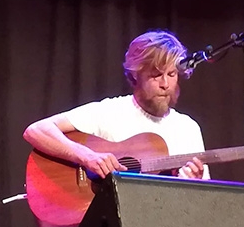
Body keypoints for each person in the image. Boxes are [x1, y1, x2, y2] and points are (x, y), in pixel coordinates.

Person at [23, 29, 210, 180]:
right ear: (136, 74)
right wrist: (87, 156)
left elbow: (201, 204)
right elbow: (36, 130)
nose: (165, 84)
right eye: (155, 75)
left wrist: (195, 182)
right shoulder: (111, 112)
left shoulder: (188, 128)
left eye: (171, 74)